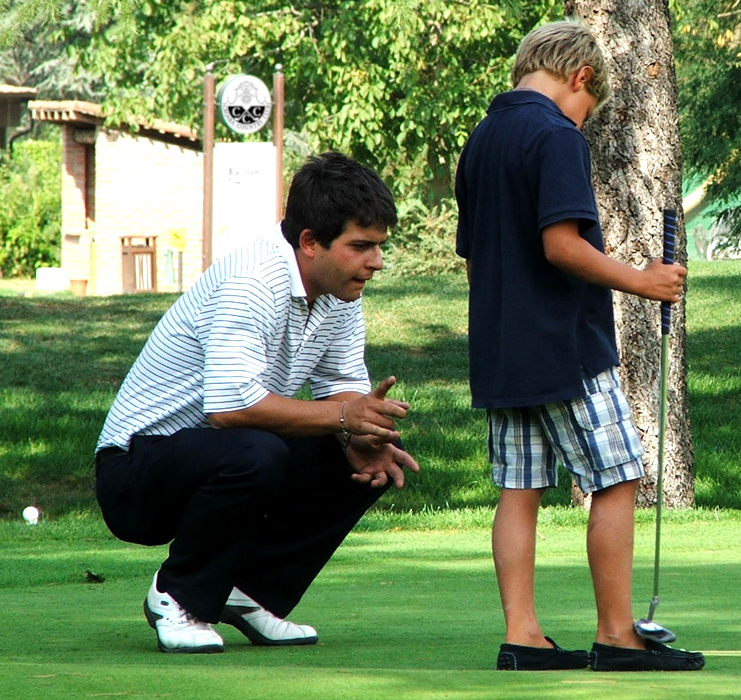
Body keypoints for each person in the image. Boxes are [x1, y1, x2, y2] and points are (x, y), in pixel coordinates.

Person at [94, 152, 419, 654]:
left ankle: (250, 594)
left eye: (378, 246)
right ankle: (176, 596)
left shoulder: (339, 290)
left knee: (359, 458)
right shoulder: (253, 280)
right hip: (134, 475)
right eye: (360, 246)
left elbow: (342, 389)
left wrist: (362, 438)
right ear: (309, 242)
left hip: (217, 457)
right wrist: (343, 417)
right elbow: (231, 409)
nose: (376, 261)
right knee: (258, 451)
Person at [454, 19, 703, 672]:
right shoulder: (556, 134)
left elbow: (475, 258)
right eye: (588, 109)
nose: (583, 121)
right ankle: (617, 635)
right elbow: (561, 244)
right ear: (580, 76)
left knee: (520, 488)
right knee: (617, 477)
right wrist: (644, 281)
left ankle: (523, 636)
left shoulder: (481, 139)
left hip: (501, 348)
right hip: (564, 345)